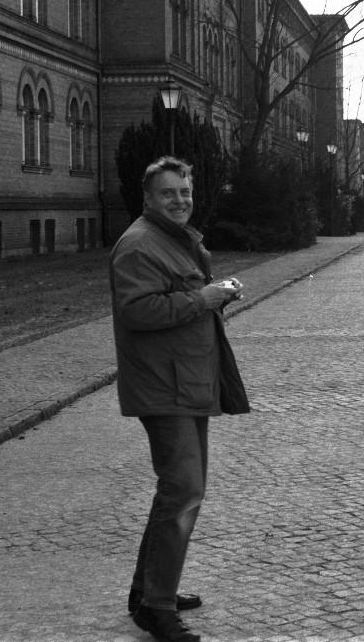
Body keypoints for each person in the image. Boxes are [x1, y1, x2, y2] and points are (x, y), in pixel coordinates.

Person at [110, 156, 242, 642]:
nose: (180, 201)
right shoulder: (139, 244)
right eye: (169, 194)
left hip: (184, 382)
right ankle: (157, 607)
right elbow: (138, 310)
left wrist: (214, 294)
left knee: (179, 490)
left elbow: (177, 299)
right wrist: (201, 300)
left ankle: (148, 591)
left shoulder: (172, 239)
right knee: (184, 490)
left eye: (185, 192)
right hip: (163, 387)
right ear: (148, 198)